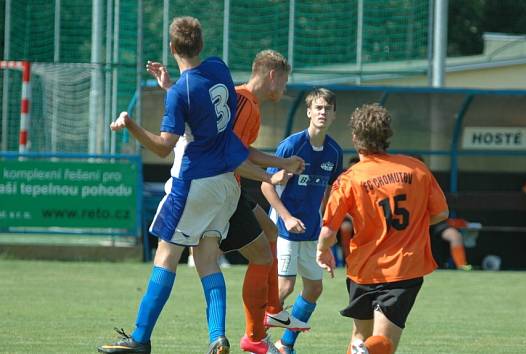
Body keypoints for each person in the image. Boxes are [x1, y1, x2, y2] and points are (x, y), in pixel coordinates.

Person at [97, 17, 289, 354]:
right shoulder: (218, 69)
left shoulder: (181, 93)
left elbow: (162, 146)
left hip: (194, 182)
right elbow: (202, 107)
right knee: (207, 259)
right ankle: (218, 337)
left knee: (166, 256)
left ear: (172, 48)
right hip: (225, 186)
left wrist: (130, 124)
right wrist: (169, 85)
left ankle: (140, 339)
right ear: (201, 44)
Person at [146, 49, 310, 354]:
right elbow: (228, 153)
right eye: (285, 81)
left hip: (229, 187)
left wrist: (280, 164)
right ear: (273, 75)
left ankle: (268, 315)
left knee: (267, 239)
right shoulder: (243, 102)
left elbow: (233, 145)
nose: (285, 89)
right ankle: (255, 336)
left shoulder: (246, 102)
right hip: (220, 189)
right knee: (255, 255)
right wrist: (271, 174)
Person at [316, 103, 449, 354]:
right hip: (403, 269)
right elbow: (441, 212)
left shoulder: (349, 178)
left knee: (360, 335)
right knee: (382, 345)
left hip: (362, 269)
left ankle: (361, 350)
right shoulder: (416, 168)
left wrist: (322, 251)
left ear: (355, 137)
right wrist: (414, 226)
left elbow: (327, 232)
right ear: (388, 135)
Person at [260, 88, 343, 354]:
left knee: (314, 288)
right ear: (308, 112)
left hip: (311, 229)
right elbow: (266, 186)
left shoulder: (334, 151)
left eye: (327, 109)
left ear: (333, 115)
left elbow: (331, 189)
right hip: (284, 228)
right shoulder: (292, 145)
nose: (322, 112)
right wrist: (287, 217)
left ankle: (286, 345)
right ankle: (255, 340)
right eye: (318, 108)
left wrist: (325, 226)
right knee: (284, 287)